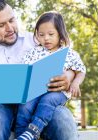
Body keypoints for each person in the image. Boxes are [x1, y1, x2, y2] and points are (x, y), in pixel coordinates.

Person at [0, 0, 78, 140]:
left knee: (64, 120)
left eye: (12, 20)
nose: (10, 28)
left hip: (35, 105)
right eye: (1, 25)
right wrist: (3, 89)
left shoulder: (36, 40)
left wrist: (68, 76)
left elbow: (69, 59)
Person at [16, 11, 86, 140]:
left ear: (60, 34)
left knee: (47, 100)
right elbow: (23, 71)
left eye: (51, 34)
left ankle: (34, 130)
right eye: (41, 35)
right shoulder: (33, 52)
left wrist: (75, 83)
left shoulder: (69, 53)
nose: (46, 38)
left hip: (57, 92)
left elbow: (80, 70)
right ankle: (21, 135)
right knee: (25, 105)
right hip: (35, 90)